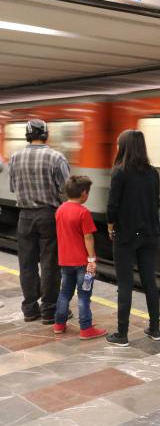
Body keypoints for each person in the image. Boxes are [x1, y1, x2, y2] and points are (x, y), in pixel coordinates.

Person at [8, 119, 71, 324]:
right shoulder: (56, 157)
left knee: (27, 264)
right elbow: (67, 191)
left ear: (27, 135)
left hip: (24, 216)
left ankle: (30, 310)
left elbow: (13, 187)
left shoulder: (15, 157)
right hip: (49, 216)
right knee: (50, 264)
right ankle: (49, 311)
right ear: (46, 134)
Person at [105, 130, 160, 347]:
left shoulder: (120, 172)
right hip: (149, 234)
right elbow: (156, 203)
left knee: (125, 283)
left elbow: (113, 205)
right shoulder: (153, 172)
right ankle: (155, 329)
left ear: (123, 147)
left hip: (126, 235)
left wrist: (111, 226)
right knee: (150, 281)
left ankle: (122, 333)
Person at [52, 176, 107, 340]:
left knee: (64, 293)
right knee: (84, 295)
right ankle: (86, 328)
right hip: (84, 263)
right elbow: (88, 237)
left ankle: (59, 324)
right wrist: (92, 259)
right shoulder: (83, 212)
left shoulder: (60, 210)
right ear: (84, 193)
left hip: (65, 261)